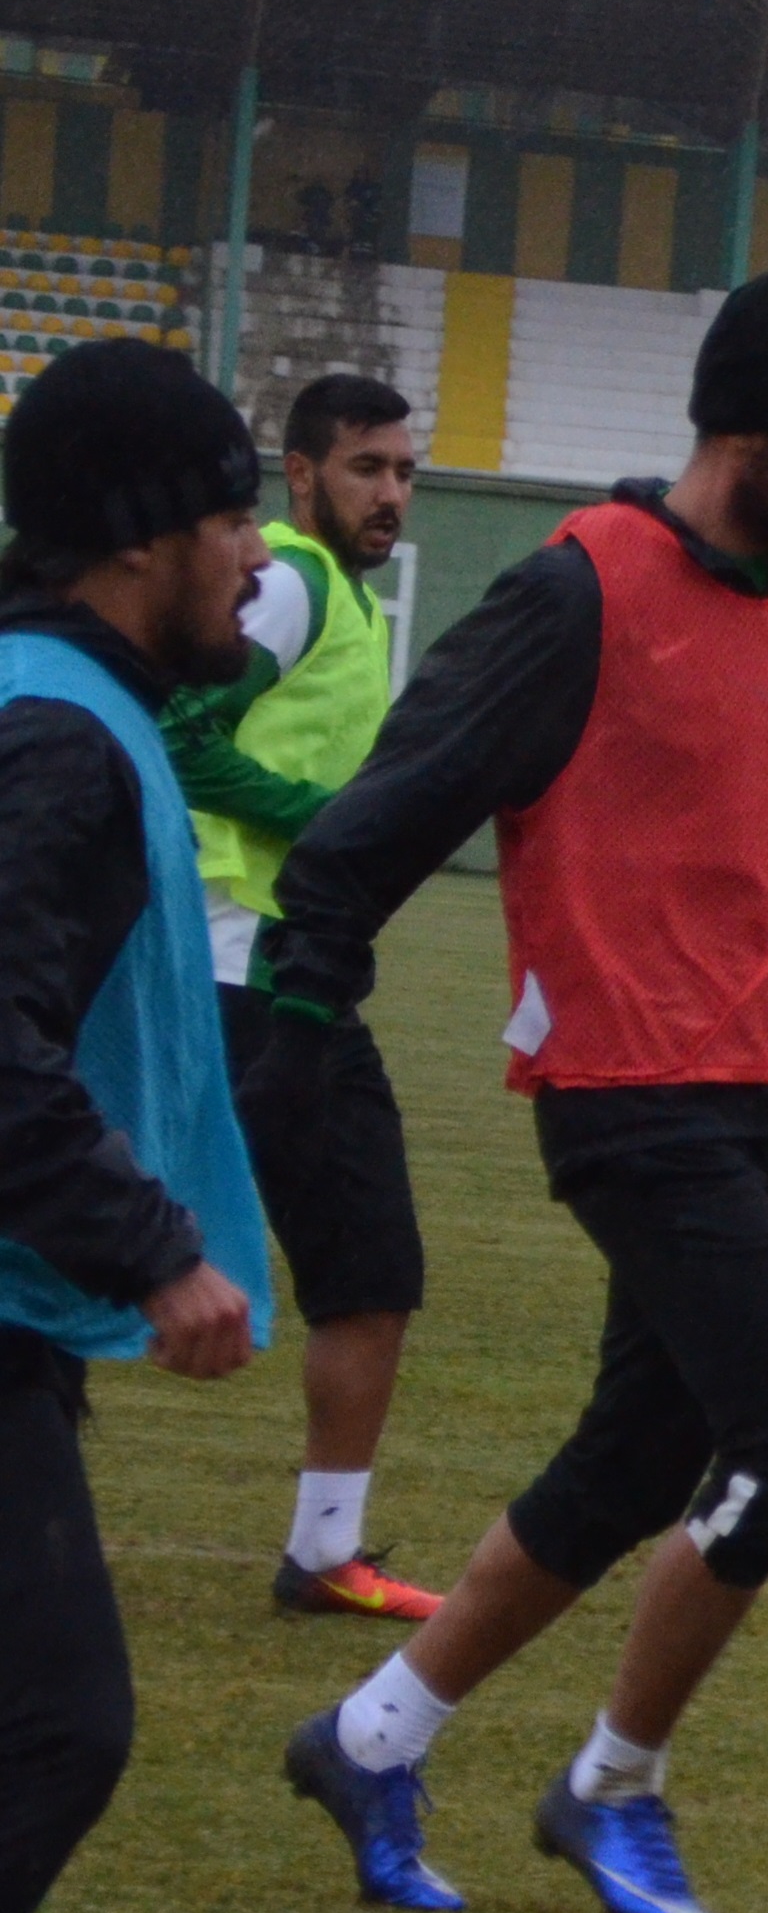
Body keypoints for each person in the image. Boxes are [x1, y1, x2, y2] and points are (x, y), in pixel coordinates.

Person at [249, 273, 768, 1913]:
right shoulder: (577, 595)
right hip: (626, 1087)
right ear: (742, 427)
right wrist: (304, 1010)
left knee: (635, 1455)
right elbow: (389, 810)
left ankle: (370, 1738)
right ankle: (611, 1784)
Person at [0, 340, 274, 1913]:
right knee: (58, 1725)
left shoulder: (69, 703)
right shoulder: (57, 740)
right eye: (232, 515)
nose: (255, 559)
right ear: (138, 535)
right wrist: (151, 1246)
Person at [160, 371, 437, 1620]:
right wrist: (324, 827)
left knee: (360, 1275)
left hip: (259, 975)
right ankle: (325, 1552)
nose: (389, 492)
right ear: (303, 474)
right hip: (251, 978)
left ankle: (327, 1550)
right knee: (368, 1270)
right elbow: (175, 728)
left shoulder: (345, 602)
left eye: (403, 471)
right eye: (366, 468)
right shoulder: (290, 584)